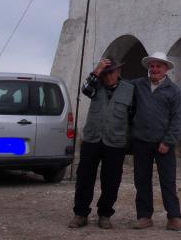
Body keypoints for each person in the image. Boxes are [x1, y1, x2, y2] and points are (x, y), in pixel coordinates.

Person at [69, 57, 134, 230]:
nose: (107, 77)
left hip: (116, 142)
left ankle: (105, 214)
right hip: (92, 139)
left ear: (118, 71)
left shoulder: (129, 89)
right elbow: (84, 89)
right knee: (84, 177)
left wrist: (128, 141)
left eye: (110, 72)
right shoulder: (95, 85)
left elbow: (133, 116)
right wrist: (96, 71)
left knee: (112, 180)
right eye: (104, 74)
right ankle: (80, 213)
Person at [131, 51, 181, 232]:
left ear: (166, 69)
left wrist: (168, 141)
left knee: (168, 181)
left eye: (158, 66)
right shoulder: (137, 85)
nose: (154, 69)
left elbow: (177, 118)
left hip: (163, 143)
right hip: (141, 141)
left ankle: (174, 217)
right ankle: (144, 217)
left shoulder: (174, 90)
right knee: (141, 180)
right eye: (152, 66)